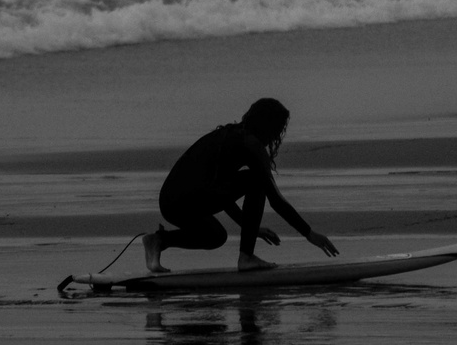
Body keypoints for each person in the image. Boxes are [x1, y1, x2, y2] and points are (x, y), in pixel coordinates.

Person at [141, 98, 338, 273]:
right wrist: (308, 233)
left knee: (215, 236)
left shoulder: (228, 136)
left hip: (170, 202)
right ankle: (246, 257)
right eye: (278, 128)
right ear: (269, 126)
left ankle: (159, 241)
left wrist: (248, 225)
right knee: (256, 180)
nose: (278, 135)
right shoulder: (250, 144)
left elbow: (218, 190)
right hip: (187, 200)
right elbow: (275, 200)